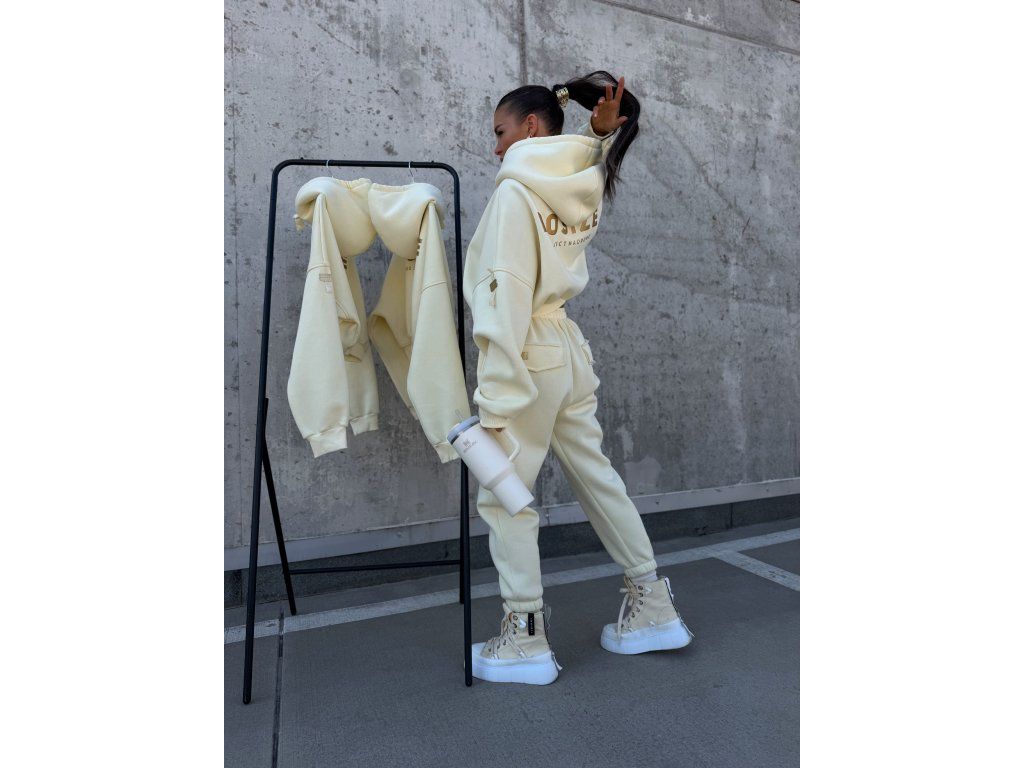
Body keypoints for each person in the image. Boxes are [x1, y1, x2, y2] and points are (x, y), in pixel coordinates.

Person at [463, 71, 695, 685]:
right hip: (566, 346)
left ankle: (525, 638)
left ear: (529, 127)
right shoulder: (582, 179)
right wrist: (598, 136)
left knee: (504, 494)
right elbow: (581, 163)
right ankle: (653, 605)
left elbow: (507, 294)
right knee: (598, 478)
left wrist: (497, 393)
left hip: (526, 349)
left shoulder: (517, 193)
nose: (495, 147)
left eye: (500, 132)